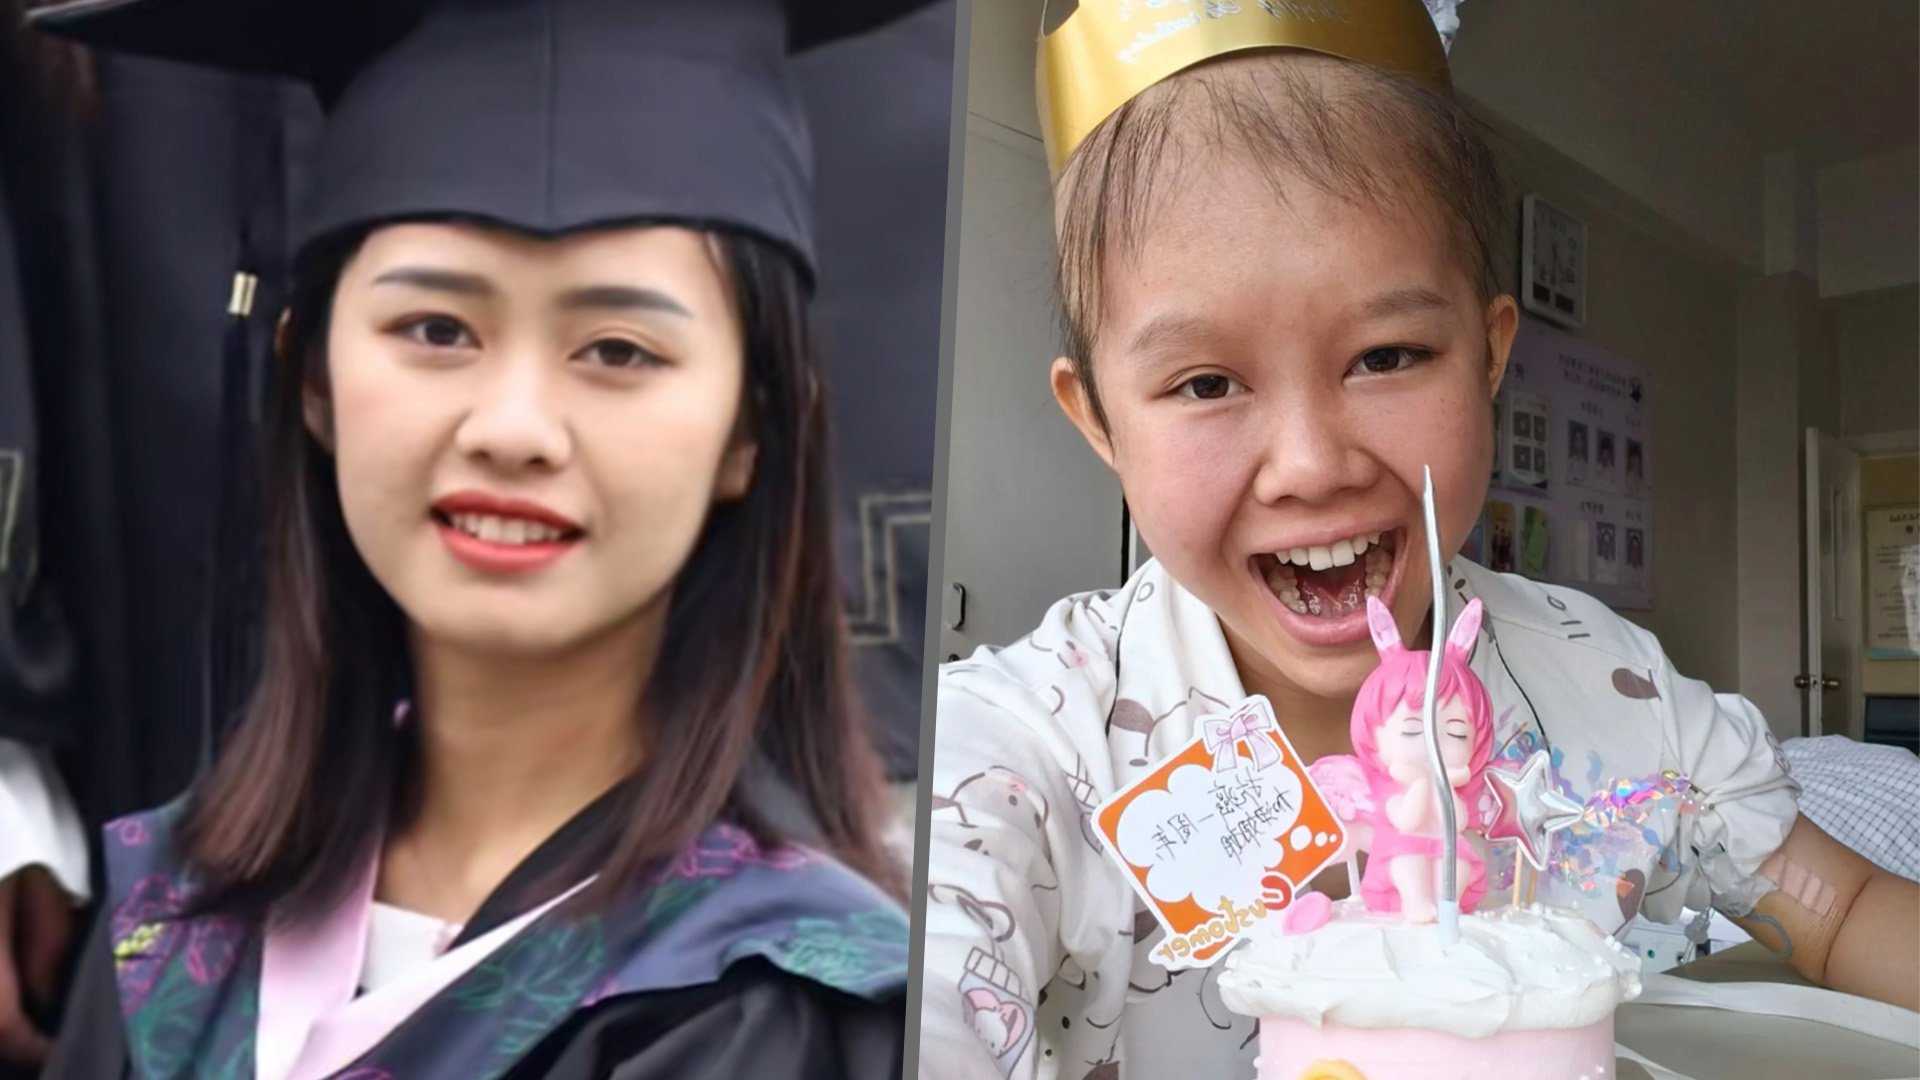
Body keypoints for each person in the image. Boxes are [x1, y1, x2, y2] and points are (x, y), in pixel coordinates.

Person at [919, 3, 1920, 1077]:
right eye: (1206, 384)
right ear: (1101, 422)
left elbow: (1839, 902)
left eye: (1388, 357)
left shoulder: (1613, 701)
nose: (1310, 463)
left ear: (1488, 356)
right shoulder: (1025, 751)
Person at [27, 0, 938, 1075]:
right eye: (437, 330)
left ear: (755, 427)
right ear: (309, 376)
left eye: (616, 349)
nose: (512, 429)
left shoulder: (777, 1005)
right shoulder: (172, 923)